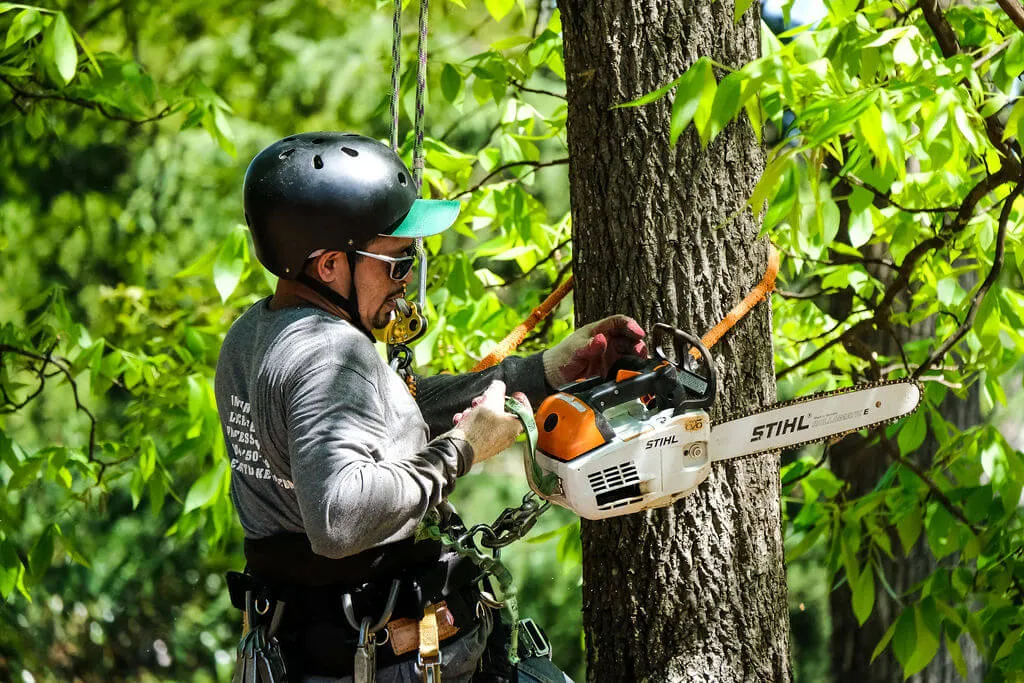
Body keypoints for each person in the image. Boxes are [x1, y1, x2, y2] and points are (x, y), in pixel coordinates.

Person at [215, 132, 647, 682]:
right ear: (328, 266)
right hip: (385, 659)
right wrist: (463, 451)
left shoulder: (256, 335)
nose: (406, 283)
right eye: (396, 263)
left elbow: (394, 410)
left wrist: (541, 374)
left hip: (318, 651)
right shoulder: (329, 357)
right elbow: (338, 519)